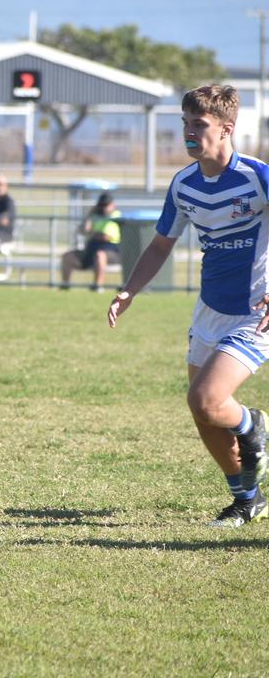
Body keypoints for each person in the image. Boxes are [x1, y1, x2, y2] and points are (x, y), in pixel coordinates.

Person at [108, 84, 269, 529]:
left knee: (207, 398)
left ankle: (254, 423)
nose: (188, 133)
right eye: (184, 124)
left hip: (256, 312)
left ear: (226, 129)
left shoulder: (258, 177)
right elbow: (161, 244)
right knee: (202, 412)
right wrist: (130, 289)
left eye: (198, 124)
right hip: (209, 311)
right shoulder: (184, 184)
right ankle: (247, 498)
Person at [60, 192, 121, 292]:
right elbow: (82, 230)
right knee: (67, 257)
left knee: (100, 255)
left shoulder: (116, 216)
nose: (103, 208)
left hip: (110, 250)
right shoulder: (95, 216)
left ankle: (97, 286)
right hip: (91, 249)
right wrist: (90, 214)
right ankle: (65, 286)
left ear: (113, 205)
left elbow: (105, 237)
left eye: (106, 205)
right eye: (101, 205)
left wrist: (92, 233)